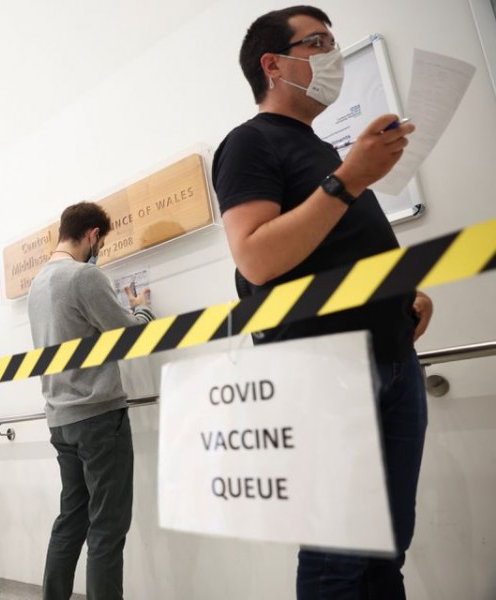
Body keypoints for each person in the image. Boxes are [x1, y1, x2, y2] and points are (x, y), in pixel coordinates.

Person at [212, 7, 432, 598]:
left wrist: (403, 296)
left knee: (388, 549)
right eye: (319, 43)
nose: (332, 56)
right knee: (338, 557)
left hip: (391, 359)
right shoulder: (248, 144)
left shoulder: (321, 150)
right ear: (273, 64)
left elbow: (332, 252)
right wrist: (348, 181)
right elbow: (255, 257)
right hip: (325, 372)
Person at [27, 201, 155, 600]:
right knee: (108, 526)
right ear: (93, 235)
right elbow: (128, 336)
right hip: (98, 416)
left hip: (60, 419)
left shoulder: (37, 285)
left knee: (72, 520)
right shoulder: (84, 276)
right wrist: (142, 310)